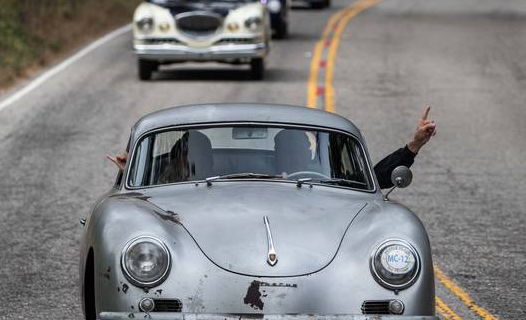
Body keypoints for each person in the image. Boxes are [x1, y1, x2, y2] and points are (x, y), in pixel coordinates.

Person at [106, 107, 437, 187]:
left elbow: (371, 182)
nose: (298, 151)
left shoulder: (328, 180)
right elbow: (143, 196)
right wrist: (128, 172)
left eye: (296, 147)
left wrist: (412, 147)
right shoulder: (173, 181)